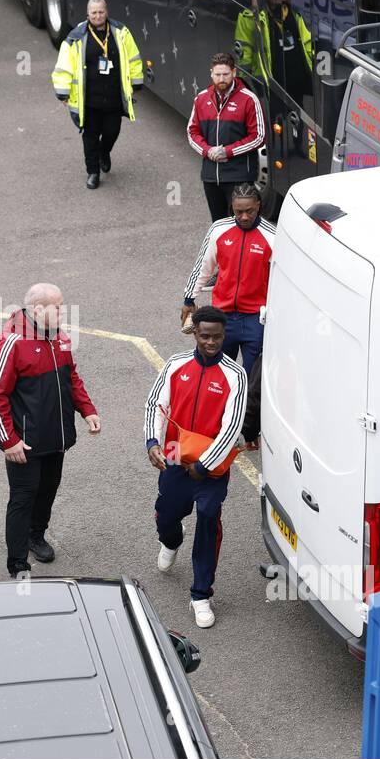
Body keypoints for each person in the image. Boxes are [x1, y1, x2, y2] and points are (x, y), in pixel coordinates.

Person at [0, 282, 100, 577]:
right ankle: (18, 563)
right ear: (37, 310)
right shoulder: (9, 343)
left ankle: (37, 535)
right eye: (57, 307)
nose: (63, 311)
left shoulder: (58, 337)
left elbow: (71, 376)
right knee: (23, 498)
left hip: (55, 439)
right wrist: (9, 442)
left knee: (48, 491)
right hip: (23, 444)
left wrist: (87, 409)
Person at [144, 306, 246, 629]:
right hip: (174, 455)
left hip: (210, 467)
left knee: (207, 517)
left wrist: (204, 464)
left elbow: (232, 428)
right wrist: (152, 442)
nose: (212, 342)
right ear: (195, 333)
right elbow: (155, 404)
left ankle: (201, 594)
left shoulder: (236, 376)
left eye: (217, 336)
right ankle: (171, 540)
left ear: (223, 335)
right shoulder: (176, 365)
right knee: (167, 513)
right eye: (205, 336)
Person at [51, 0, 144, 188]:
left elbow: (134, 58)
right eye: (94, 12)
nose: (98, 15)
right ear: (88, 14)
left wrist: (136, 83)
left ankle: (104, 152)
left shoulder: (121, 32)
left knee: (112, 131)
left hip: (112, 98)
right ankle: (93, 172)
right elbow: (63, 66)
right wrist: (63, 92)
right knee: (90, 136)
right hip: (89, 100)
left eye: (101, 11)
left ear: (106, 12)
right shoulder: (76, 37)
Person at [180, 183, 270, 374]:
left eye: (249, 211)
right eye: (238, 212)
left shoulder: (272, 237)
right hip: (221, 317)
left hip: (255, 319)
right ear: (232, 208)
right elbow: (203, 266)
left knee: (251, 377)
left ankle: (245, 405)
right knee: (216, 374)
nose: (244, 217)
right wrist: (189, 299)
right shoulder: (219, 230)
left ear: (259, 206)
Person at [188, 54, 265, 222]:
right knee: (218, 224)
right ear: (211, 73)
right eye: (217, 75)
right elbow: (192, 132)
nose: (221, 79)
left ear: (234, 72)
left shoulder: (249, 99)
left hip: (239, 177)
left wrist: (226, 152)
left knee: (242, 224)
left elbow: (259, 136)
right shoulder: (201, 99)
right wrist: (208, 151)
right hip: (210, 177)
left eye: (226, 74)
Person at [235, 0, 314, 106]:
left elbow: (307, 42)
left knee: (297, 111)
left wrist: (313, 67)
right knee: (275, 115)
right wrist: (242, 81)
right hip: (272, 78)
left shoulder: (296, 15)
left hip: (295, 76)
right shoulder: (250, 17)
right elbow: (245, 49)